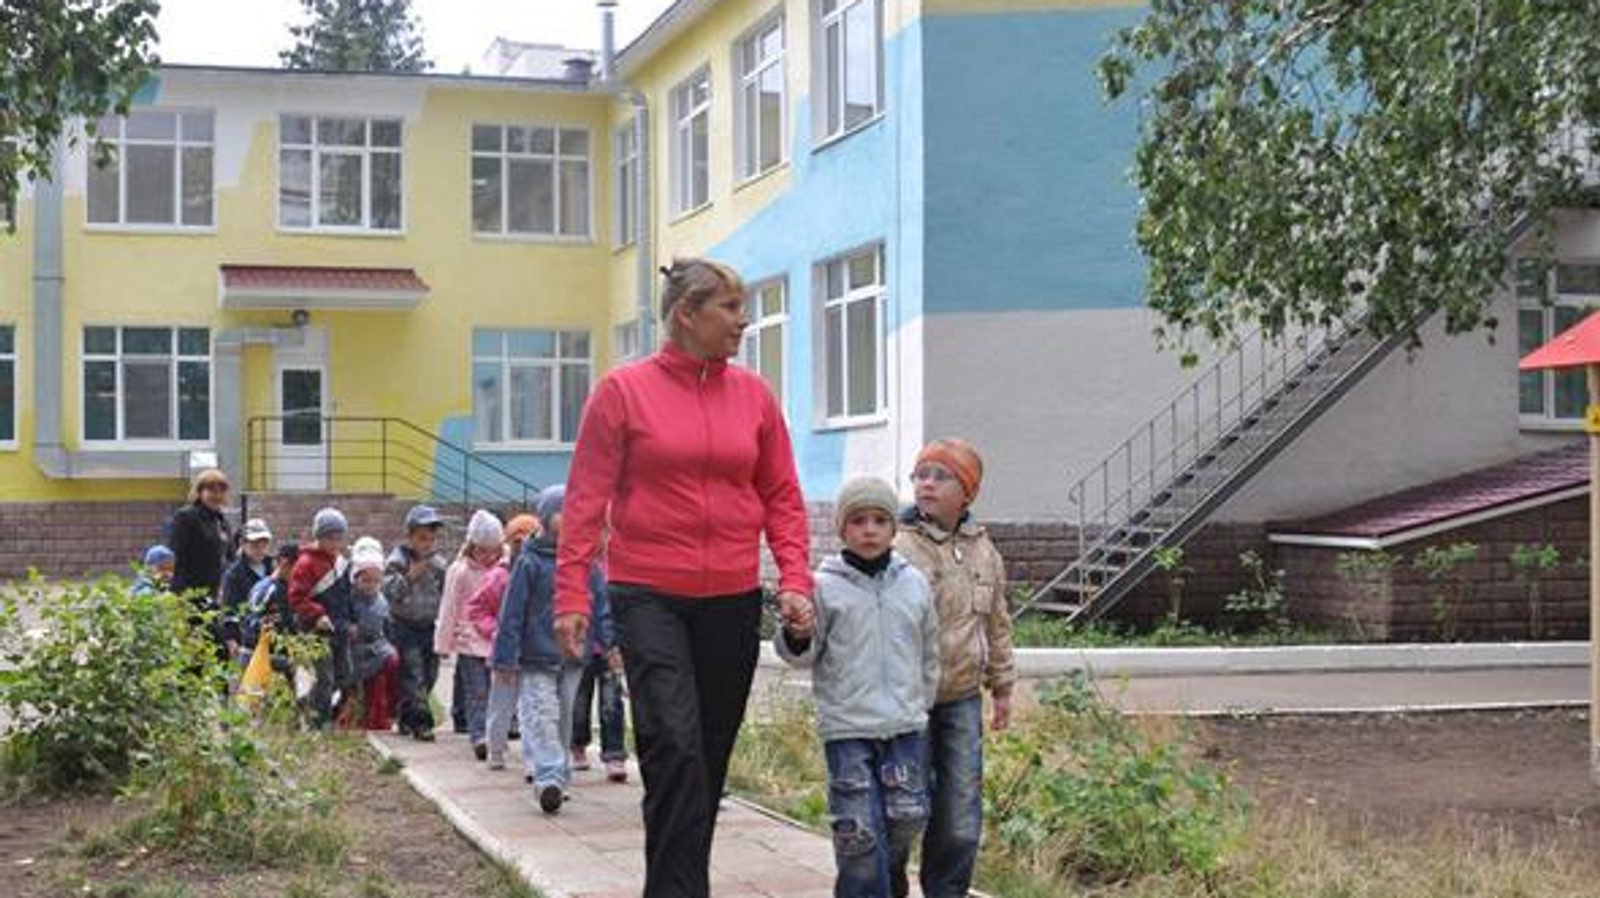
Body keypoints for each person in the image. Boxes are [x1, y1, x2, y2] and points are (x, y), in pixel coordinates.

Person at [555, 258, 815, 897]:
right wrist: (571, 592)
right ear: (686, 315)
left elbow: (781, 494)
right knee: (673, 744)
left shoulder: (754, 396)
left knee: (707, 758)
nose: (743, 320)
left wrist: (795, 578)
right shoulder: (623, 392)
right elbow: (585, 499)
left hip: (732, 598)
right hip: (648, 595)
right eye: (729, 307)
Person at [776, 477, 941, 898]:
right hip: (848, 730)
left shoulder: (913, 583)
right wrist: (796, 633)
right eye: (859, 521)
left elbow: (929, 650)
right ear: (842, 528)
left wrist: (921, 703)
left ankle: (889, 876)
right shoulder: (824, 586)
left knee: (907, 817)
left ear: (894, 528)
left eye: (880, 521)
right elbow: (802, 653)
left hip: (904, 728)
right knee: (859, 835)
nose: (870, 530)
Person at [893, 439, 1017, 898]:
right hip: (906, 700)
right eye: (920, 474)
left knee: (961, 813)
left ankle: (947, 890)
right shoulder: (898, 546)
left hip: (961, 699)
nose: (926, 484)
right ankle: (886, 885)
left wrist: (1002, 686)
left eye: (940, 476)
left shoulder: (984, 550)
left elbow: (997, 622)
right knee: (904, 807)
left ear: (967, 492)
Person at [492, 487, 605, 813]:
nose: (568, 519)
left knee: (564, 716)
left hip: (573, 656)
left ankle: (560, 774)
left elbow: (600, 604)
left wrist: (610, 643)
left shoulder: (585, 562)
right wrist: (505, 658)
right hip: (535, 656)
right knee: (542, 714)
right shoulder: (528, 562)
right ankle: (548, 777)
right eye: (561, 512)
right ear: (545, 517)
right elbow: (512, 612)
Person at [473, 512, 541, 769]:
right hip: (504, 651)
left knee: (531, 706)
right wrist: (495, 631)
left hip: (534, 651)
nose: (523, 545)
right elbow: (477, 608)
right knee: (501, 704)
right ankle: (496, 750)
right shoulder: (499, 576)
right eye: (517, 540)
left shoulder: (541, 572)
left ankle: (532, 757)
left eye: (529, 538)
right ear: (509, 543)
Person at [436, 509, 505, 760]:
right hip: (469, 641)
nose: (488, 556)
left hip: (496, 639)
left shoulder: (504, 569)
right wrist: (443, 643)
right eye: (482, 551)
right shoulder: (460, 571)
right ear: (471, 546)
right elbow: (449, 607)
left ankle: (496, 733)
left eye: (493, 550)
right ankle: (479, 736)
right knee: (477, 691)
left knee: (497, 690)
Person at [382, 505, 449, 741]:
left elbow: (447, 595)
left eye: (431, 539)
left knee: (430, 674)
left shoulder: (438, 565)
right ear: (410, 537)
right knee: (414, 674)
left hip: (428, 626)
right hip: (404, 626)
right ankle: (422, 724)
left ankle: (407, 715)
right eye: (421, 538)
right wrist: (409, 577)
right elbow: (388, 592)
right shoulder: (397, 561)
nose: (427, 544)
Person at [289, 507, 355, 727]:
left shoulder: (341, 562)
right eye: (329, 538)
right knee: (323, 677)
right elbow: (297, 597)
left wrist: (352, 620)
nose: (335, 543)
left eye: (339, 538)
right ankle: (318, 722)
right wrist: (317, 615)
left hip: (340, 629)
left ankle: (320, 710)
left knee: (345, 674)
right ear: (319, 536)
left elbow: (347, 594)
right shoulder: (306, 563)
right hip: (316, 631)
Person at [168, 468, 234, 653]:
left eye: (221, 490)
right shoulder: (187, 517)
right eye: (211, 490)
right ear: (200, 491)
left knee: (217, 652)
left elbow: (229, 557)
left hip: (213, 597)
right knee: (195, 653)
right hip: (189, 597)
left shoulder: (222, 521)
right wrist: (179, 598)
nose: (217, 495)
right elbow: (176, 555)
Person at [570, 583, 629, 783]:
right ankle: (577, 745)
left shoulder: (610, 575)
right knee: (579, 703)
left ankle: (614, 755)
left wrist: (614, 646)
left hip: (609, 651)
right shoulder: (579, 574)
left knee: (612, 704)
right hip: (581, 649)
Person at [345, 537, 400, 732]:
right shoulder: (349, 598)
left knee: (392, 663)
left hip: (378, 646)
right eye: (366, 580)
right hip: (355, 649)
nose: (371, 585)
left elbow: (388, 626)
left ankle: (388, 714)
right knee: (361, 684)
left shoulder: (381, 599)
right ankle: (360, 718)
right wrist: (349, 628)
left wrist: (390, 644)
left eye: (376, 581)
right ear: (356, 578)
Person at [239, 542, 300, 681]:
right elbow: (251, 624)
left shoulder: (289, 588)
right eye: (297, 567)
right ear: (284, 564)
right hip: (258, 658)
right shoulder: (267, 589)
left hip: (281, 657)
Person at [219, 518, 273, 663]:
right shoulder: (234, 574)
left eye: (264, 544)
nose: (260, 549)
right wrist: (231, 639)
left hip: (272, 635)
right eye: (255, 544)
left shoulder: (273, 567)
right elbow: (229, 607)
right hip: (246, 638)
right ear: (243, 544)